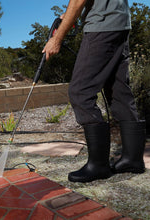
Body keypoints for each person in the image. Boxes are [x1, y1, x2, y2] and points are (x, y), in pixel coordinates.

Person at [42, 0, 146, 183]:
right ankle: (133, 159)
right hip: (119, 23)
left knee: (80, 91)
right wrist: (68, 16)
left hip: (102, 26)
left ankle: (98, 165)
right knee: (118, 91)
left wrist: (56, 39)